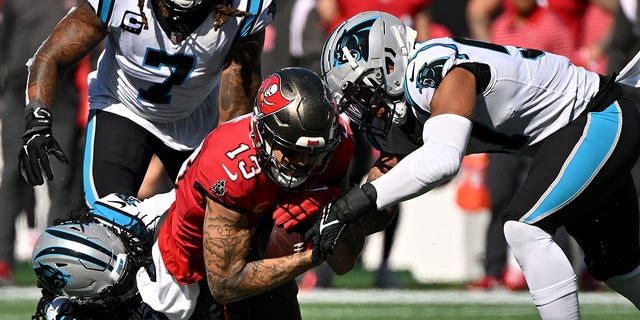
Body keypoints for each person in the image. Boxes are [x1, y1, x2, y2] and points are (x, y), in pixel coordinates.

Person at [312, 11, 640, 319]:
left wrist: (351, 204)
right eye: (354, 103)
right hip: (575, 135)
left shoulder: (433, 67)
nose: (366, 110)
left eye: (364, 94)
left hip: (598, 115)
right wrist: (333, 229)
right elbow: (377, 202)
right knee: (618, 267)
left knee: (524, 227)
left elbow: (442, 160)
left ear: (389, 62)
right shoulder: (396, 117)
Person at [32, 68, 395, 320]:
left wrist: (357, 206)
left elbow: (345, 260)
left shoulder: (335, 147)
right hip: (186, 270)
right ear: (264, 136)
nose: (302, 164)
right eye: (292, 151)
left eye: (313, 153)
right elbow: (225, 283)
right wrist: (312, 253)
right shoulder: (231, 169)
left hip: (253, 250)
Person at [18, 0, 274, 215]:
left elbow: (237, 108)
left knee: (218, 229)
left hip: (197, 118)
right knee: (108, 227)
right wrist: (37, 122)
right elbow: (51, 55)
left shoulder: (242, 9)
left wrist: (231, 159)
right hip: (124, 107)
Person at [0, 0, 87, 285]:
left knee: (61, 179)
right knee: (12, 175)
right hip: (19, 92)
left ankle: (57, 259)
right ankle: (2, 260)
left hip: (62, 94)